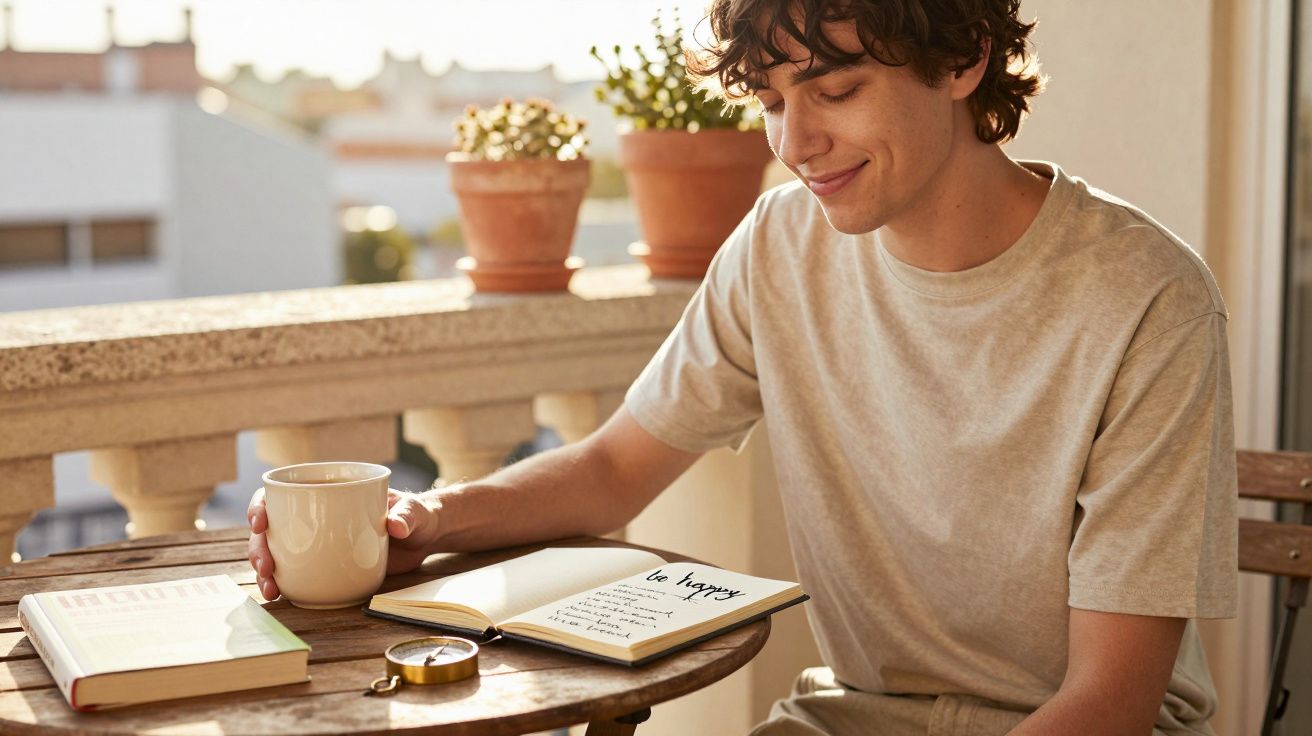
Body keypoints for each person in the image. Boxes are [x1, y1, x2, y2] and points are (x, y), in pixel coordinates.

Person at [248, 1, 1237, 733]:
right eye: (770, 101)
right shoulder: (780, 246)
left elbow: (1110, 698)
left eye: (835, 91)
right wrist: (425, 520)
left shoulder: (1145, 298)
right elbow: (614, 468)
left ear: (964, 59)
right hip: (854, 719)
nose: (794, 143)